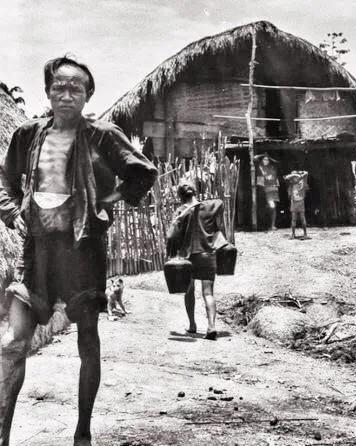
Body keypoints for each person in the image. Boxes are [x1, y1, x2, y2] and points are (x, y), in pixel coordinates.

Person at [0, 56, 157, 446]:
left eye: (76, 88)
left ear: (87, 95)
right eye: (59, 87)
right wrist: (10, 209)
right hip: (36, 251)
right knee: (14, 343)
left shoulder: (103, 134)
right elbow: (5, 177)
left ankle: (82, 432)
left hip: (83, 251)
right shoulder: (27, 134)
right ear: (48, 91)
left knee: (87, 339)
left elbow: (143, 172)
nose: (66, 95)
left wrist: (107, 198)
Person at [167, 179, 224, 340]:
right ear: (194, 192)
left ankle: (192, 325)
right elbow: (220, 203)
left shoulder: (180, 211)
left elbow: (171, 236)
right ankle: (212, 327)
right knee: (208, 293)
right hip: (208, 255)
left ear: (180, 196)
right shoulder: (208, 206)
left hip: (189, 256)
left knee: (189, 291)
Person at [255, 154, 279, 230]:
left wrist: (269, 157)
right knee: (270, 207)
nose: (266, 161)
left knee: (273, 207)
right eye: (264, 159)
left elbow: (277, 162)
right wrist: (263, 155)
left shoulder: (272, 168)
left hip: (274, 189)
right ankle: (269, 225)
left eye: (267, 160)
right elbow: (255, 158)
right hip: (265, 189)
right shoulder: (260, 167)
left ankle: (272, 225)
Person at [284, 170, 309, 239]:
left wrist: (299, 174)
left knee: (302, 218)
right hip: (294, 202)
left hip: (301, 202)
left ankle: (305, 234)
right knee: (293, 219)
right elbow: (286, 178)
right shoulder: (291, 184)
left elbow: (306, 173)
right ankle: (293, 234)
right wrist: (294, 175)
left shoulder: (302, 182)